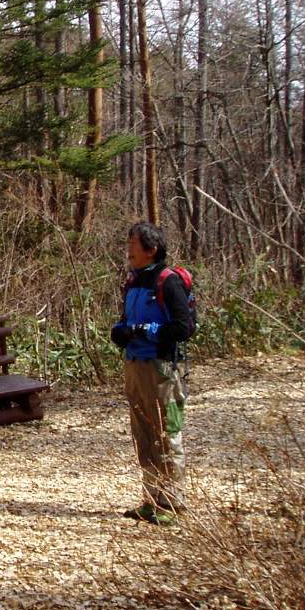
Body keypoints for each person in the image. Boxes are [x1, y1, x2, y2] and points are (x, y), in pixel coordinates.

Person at [110, 221, 192, 525]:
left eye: (133, 243)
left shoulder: (168, 282)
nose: (129, 249)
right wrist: (121, 332)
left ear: (151, 249)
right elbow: (123, 321)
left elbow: (184, 328)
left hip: (161, 369)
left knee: (166, 432)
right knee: (142, 434)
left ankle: (171, 502)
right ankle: (151, 498)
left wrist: (149, 331)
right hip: (134, 366)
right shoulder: (134, 282)